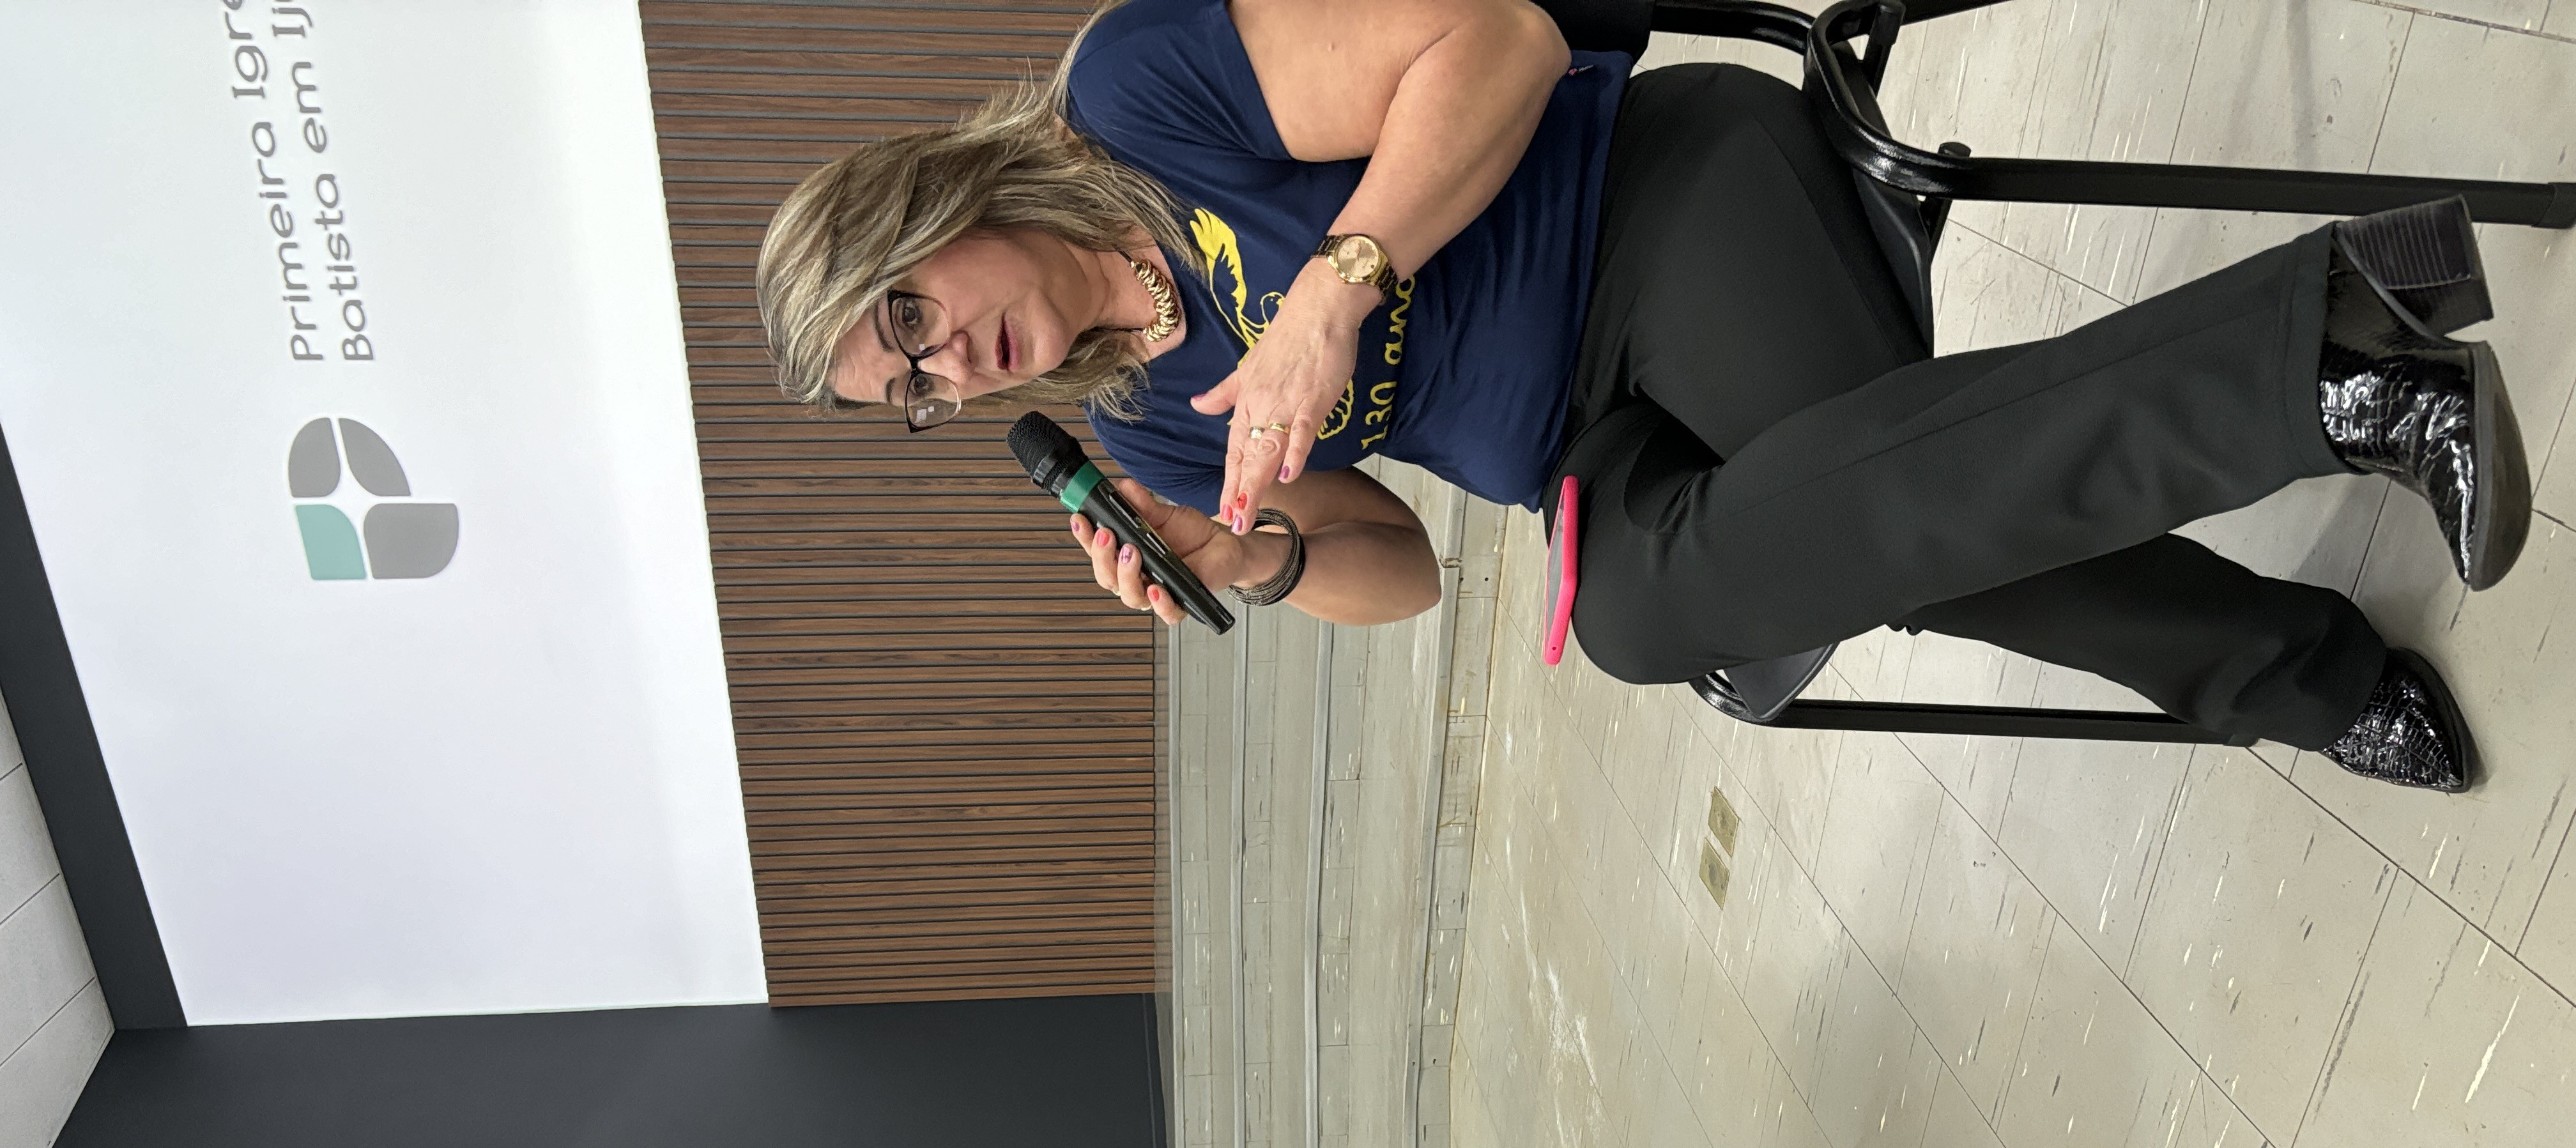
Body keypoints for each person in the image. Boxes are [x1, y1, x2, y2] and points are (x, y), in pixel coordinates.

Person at [758, 0, 2540, 795]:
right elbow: (1403, 568)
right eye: (908, 388)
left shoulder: (1132, 99)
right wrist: (1250, 563)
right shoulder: (1139, 426)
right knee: (1644, 615)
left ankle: (2302, 656)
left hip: (1656, 209)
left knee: (1881, 533)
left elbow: (1497, 40)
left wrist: (1338, 284)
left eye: (907, 317)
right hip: (1592, 450)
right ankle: (2331, 354)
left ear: (926, 214)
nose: (945, 367)